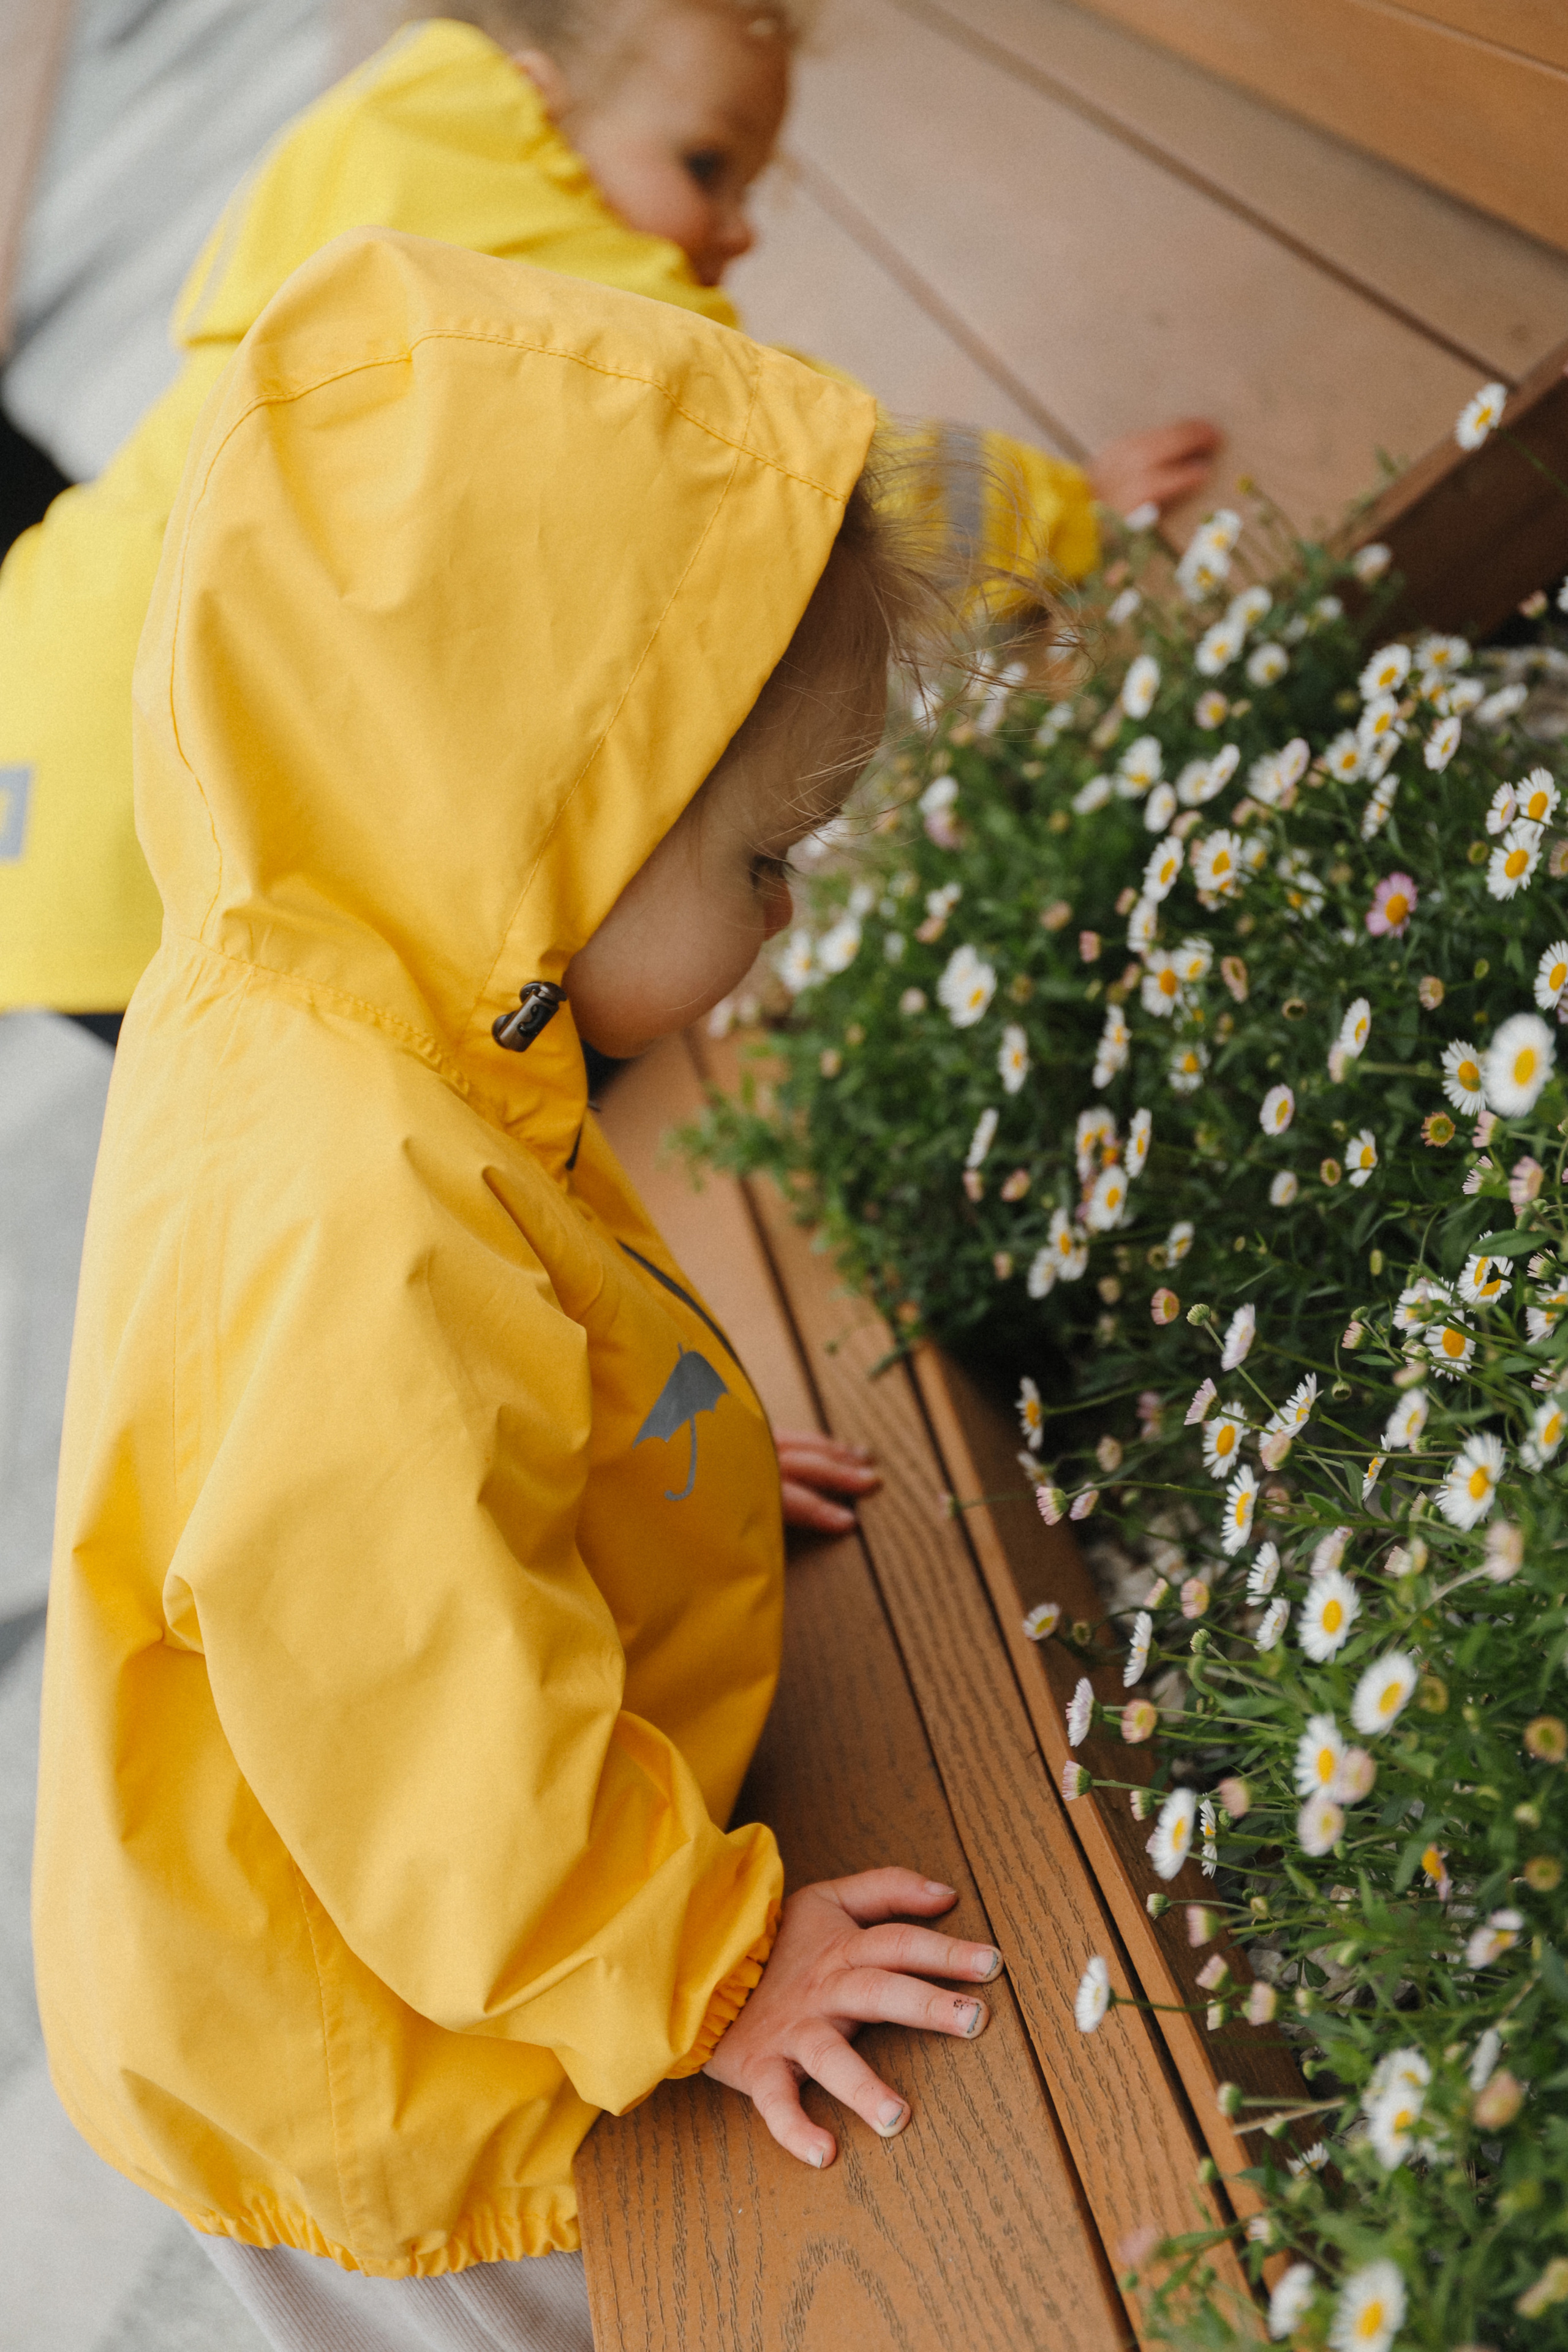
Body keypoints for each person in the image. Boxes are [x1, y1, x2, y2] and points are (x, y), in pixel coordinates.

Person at [32, 229, 1008, 2352]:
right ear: (548, 822)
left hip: (419, 1907)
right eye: (763, 860)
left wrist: (678, 1468)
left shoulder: (368, 967)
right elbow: (404, 1704)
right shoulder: (342, 1219)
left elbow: (513, 1380)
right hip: (368, 2056)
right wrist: (703, 1968)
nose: (781, 915)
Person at [0, 0, 1217, 1031]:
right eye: (702, 165)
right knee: (432, 1073)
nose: (734, 225)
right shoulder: (515, 252)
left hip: (50, 713)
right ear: (541, 103)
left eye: (750, 183)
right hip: (161, 805)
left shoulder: (387, 168)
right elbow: (795, 465)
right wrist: (1067, 516)